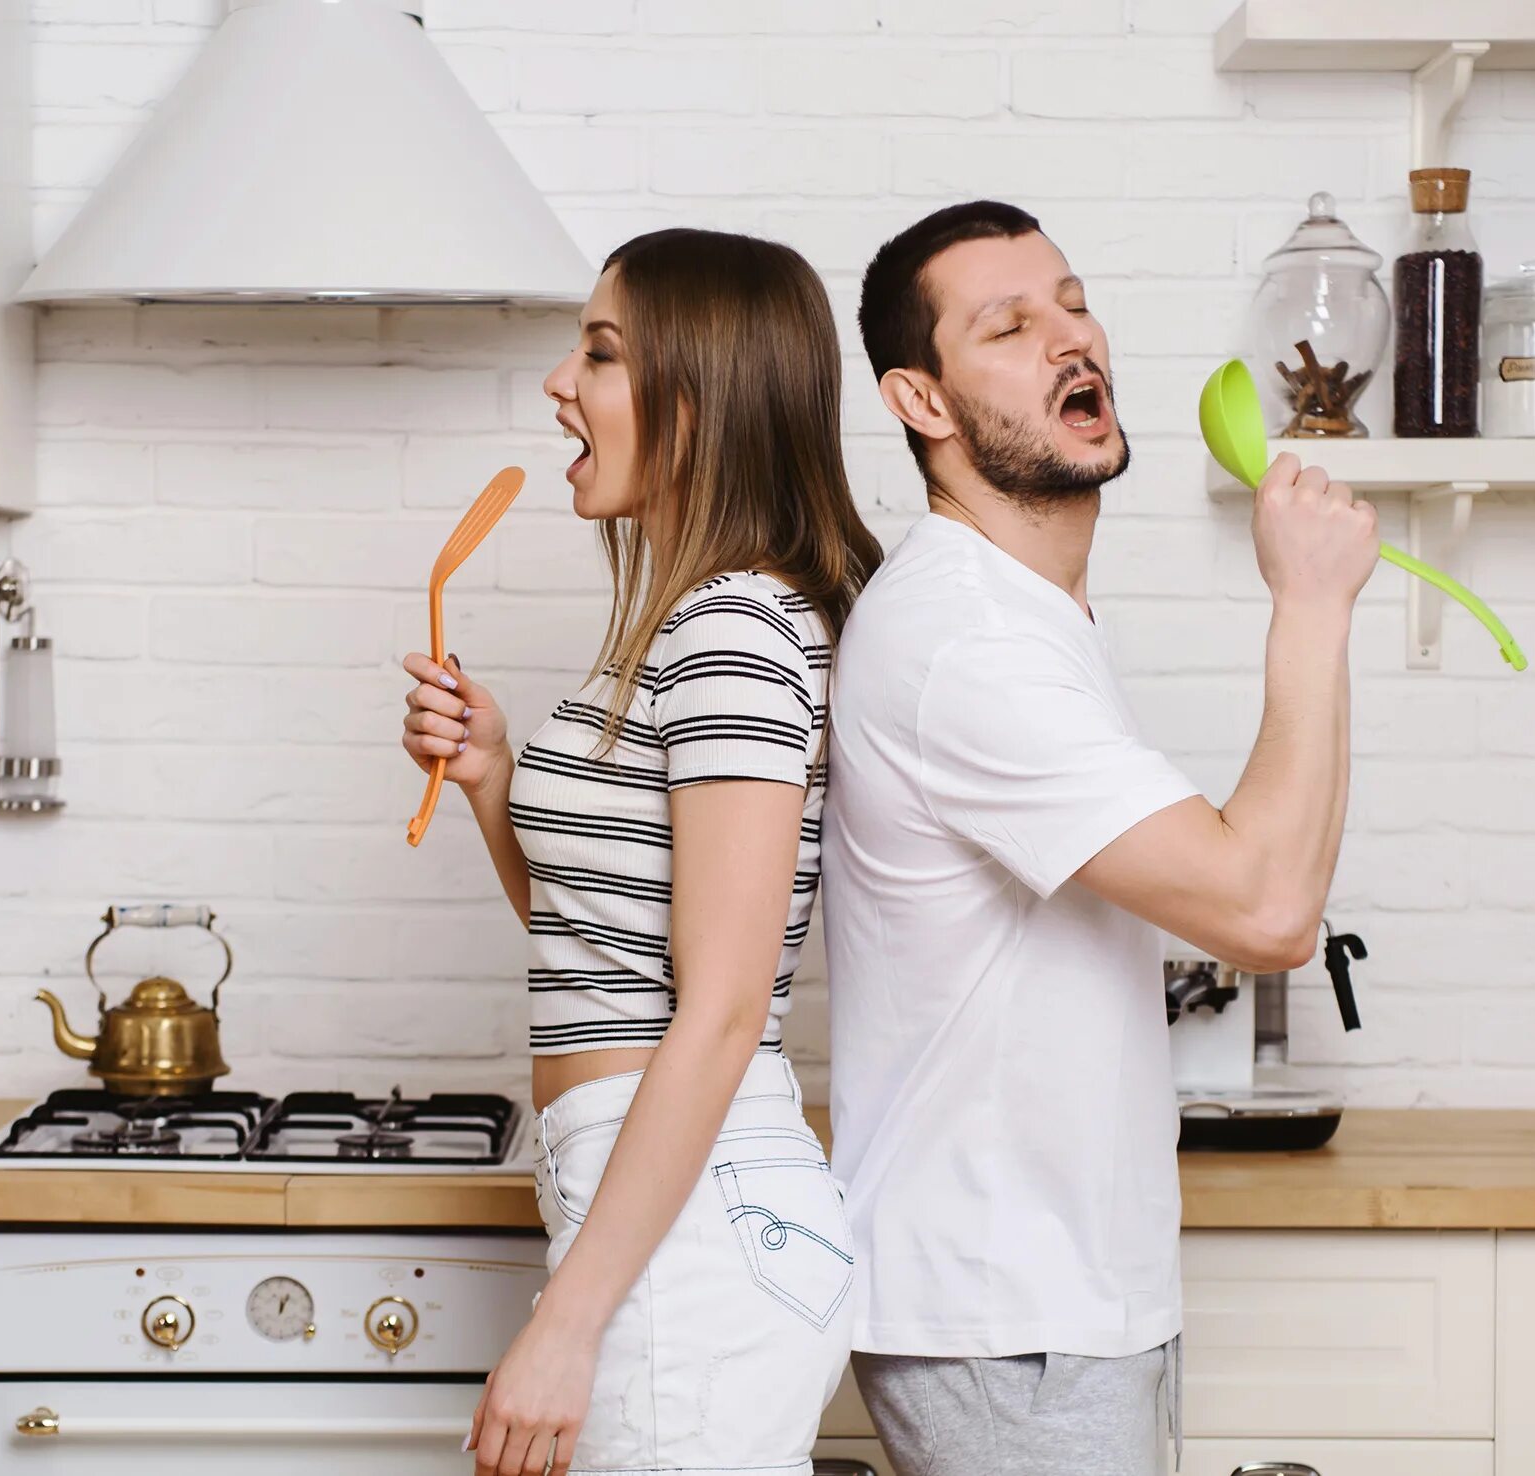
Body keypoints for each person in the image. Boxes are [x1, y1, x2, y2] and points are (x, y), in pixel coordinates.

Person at [821, 200, 1378, 1475]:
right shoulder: (967, 644)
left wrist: (1317, 609)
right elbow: (1267, 910)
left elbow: (1270, 886)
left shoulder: (1026, 619)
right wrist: (1308, 604)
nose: (1071, 340)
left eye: (1073, 303)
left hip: (1051, 1308)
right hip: (1008, 1319)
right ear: (924, 401)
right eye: (1007, 327)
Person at [400, 227, 883, 1476]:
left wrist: (566, 1323)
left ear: (702, 394)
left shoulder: (729, 628)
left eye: (600, 355)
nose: (562, 382)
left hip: (693, 1228)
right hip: (663, 1207)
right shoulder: (693, 618)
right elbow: (604, 945)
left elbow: (720, 1012)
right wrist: (496, 782)